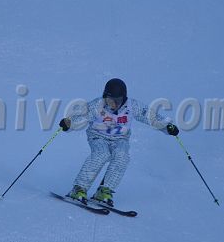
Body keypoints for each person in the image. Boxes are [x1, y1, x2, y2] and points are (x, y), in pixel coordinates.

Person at [59, 78, 179, 206]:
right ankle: (79, 188)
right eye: (110, 100)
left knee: (122, 156)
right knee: (101, 154)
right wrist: (69, 123)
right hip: (98, 137)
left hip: (120, 139)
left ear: (124, 98)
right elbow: (81, 117)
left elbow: (151, 117)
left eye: (118, 100)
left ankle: (104, 191)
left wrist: (167, 126)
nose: (114, 104)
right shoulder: (97, 105)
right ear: (105, 97)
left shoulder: (132, 106)